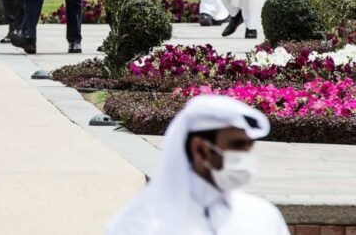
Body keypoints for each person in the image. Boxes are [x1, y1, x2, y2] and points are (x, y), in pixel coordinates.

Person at [106, 95, 288, 234]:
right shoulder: (143, 223)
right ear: (200, 149)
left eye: (250, 146)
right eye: (237, 146)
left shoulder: (262, 216)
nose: (246, 155)